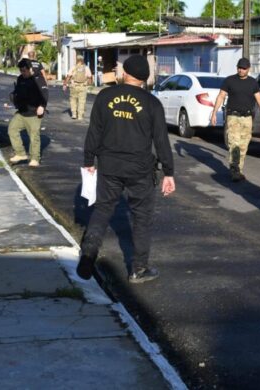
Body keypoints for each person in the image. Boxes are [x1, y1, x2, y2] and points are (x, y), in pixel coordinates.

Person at [77, 54, 176, 284]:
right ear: (144, 78)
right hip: (140, 169)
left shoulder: (106, 96)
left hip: (109, 165)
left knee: (102, 210)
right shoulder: (152, 103)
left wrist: (88, 161)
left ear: (125, 73)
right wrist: (168, 172)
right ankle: (139, 269)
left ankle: (89, 253)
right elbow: (161, 141)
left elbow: (94, 132)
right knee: (142, 218)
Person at [211, 57, 260, 182]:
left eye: (243, 68)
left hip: (247, 118)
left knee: (244, 145)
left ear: (248, 69)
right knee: (234, 143)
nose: (241, 70)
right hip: (233, 117)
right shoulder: (229, 81)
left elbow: (259, 98)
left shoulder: (253, 83)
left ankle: (239, 169)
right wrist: (214, 113)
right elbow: (221, 96)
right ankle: (234, 170)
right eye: (239, 68)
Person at [8, 58, 48, 167]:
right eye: (21, 71)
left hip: (34, 113)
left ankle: (35, 158)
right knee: (12, 129)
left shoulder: (38, 79)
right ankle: (20, 154)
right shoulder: (20, 78)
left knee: (34, 136)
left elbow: (45, 93)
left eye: (24, 71)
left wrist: (42, 106)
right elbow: (18, 92)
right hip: (22, 112)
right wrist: (13, 97)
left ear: (30, 69)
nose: (23, 73)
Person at [63, 55, 92, 120]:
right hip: (83, 87)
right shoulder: (86, 68)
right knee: (82, 101)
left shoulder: (73, 67)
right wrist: (89, 84)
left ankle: (74, 114)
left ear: (77, 60)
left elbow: (68, 77)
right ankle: (80, 116)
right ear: (82, 60)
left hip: (74, 86)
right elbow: (90, 78)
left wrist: (65, 84)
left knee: (73, 100)